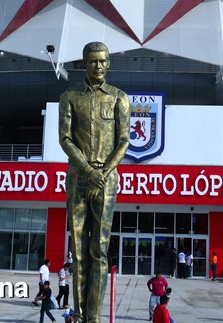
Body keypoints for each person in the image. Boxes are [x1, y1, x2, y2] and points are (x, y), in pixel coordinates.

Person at [59, 42, 130, 323]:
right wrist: (88, 170)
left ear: (108, 63)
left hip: (106, 180)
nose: (97, 66)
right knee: (78, 250)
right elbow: (65, 139)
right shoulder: (70, 96)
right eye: (92, 61)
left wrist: (102, 173)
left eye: (102, 61)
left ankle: (94, 317)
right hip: (78, 176)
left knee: (99, 249)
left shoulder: (119, 98)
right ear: (84, 63)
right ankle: (78, 315)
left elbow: (124, 141)